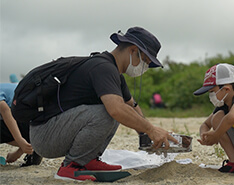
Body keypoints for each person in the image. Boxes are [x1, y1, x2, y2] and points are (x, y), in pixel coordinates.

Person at [29, 27, 178, 181]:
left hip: (57, 130)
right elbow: (116, 110)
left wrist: (148, 135)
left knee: (120, 108)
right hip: (45, 135)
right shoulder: (103, 68)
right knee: (109, 111)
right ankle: (71, 166)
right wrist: (151, 129)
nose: (145, 67)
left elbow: (130, 105)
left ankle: (88, 160)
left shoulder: (114, 73)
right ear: (133, 50)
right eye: (145, 61)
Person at [0, 82, 42, 166]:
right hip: (40, 125)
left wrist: (20, 141)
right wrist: (19, 152)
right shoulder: (8, 86)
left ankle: (33, 147)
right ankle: (33, 149)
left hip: (30, 124)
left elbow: (5, 111)